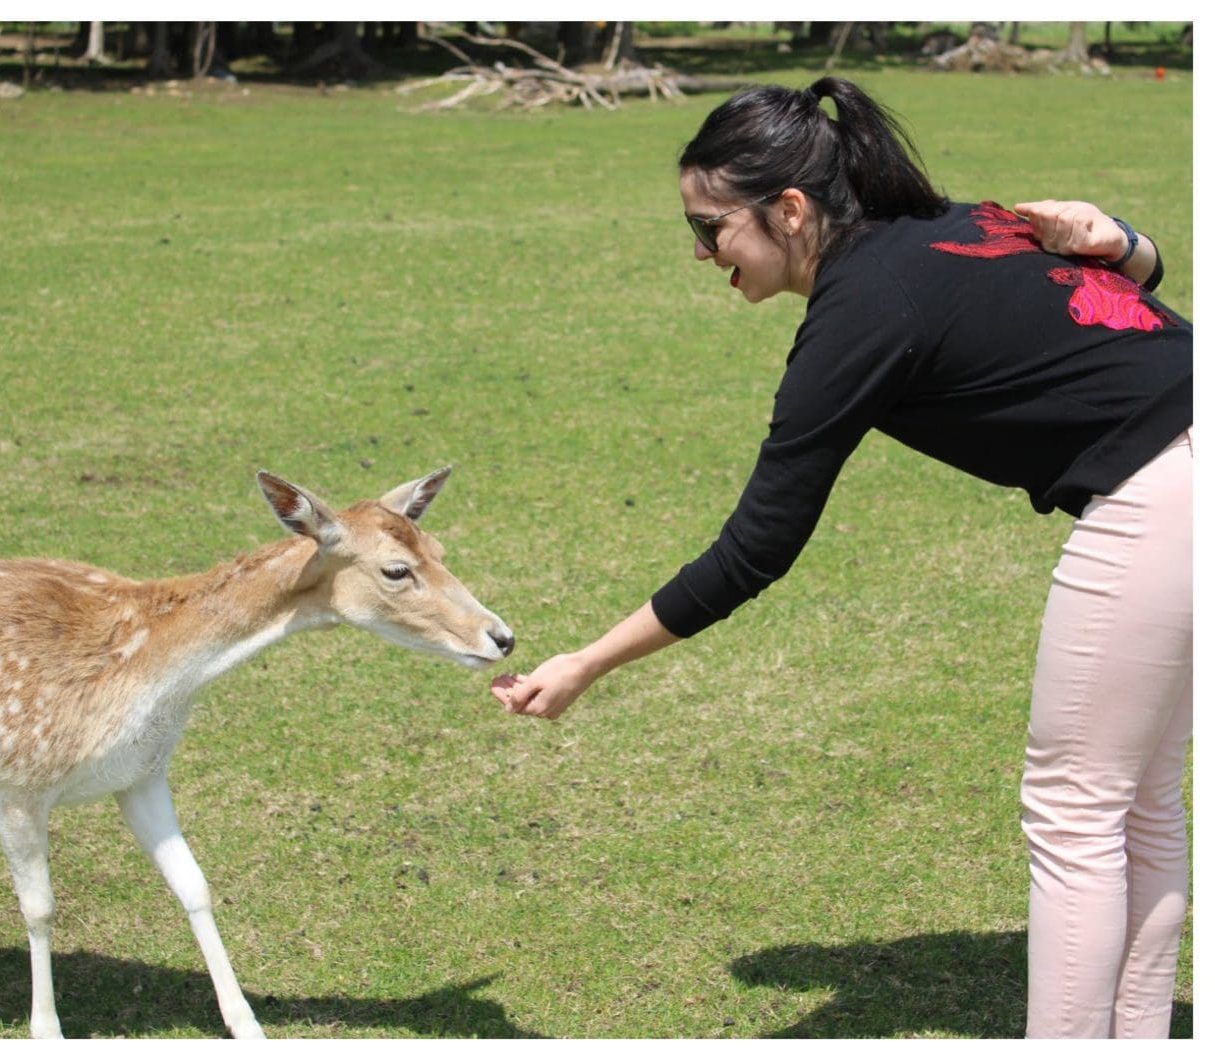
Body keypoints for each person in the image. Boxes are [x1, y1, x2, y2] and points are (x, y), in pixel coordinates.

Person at [489, 77, 1188, 1039]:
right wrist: (1125, 236)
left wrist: (585, 662)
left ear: (789, 209)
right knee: (1134, 798)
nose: (700, 253)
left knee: (1076, 807)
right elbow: (1130, 285)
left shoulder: (862, 312)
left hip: (1166, 492)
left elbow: (756, 547)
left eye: (708, 228)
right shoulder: (953, 222)